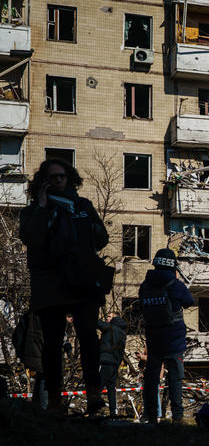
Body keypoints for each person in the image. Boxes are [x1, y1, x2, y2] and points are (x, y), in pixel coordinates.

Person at [19, 159, 109, 415]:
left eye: (62, 176)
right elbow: (31, 238)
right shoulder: (33, 210)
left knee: (89, 336)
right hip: (50, 282)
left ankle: (94, 394)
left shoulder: (81, 205)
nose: (59, 181)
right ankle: (55, 400)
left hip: (82, 280)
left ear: (69, 178)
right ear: (43, 182)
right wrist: (44, 206)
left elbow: (102, 238)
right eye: (53, 177)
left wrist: (85, 226)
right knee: (53, 342)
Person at [139, 248, 194, 424]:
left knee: (152, 377)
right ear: (173, 267)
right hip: (174, 339)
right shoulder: (175, 285)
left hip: (153, 337)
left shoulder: (144, 286)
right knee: (175, 377)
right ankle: (177, 416)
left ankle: (151, 416)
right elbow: (189, 302)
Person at [97, 313, 127, 417]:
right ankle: (113, 413)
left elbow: (96, 323)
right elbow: (121, 352)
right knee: (111, 390)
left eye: (109, 317)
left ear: (114, 319)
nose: (107, 318)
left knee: (98, 388)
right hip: (114, 365)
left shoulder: (110, 328)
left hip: (105, 363)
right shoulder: (123, 333)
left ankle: (91, 412)